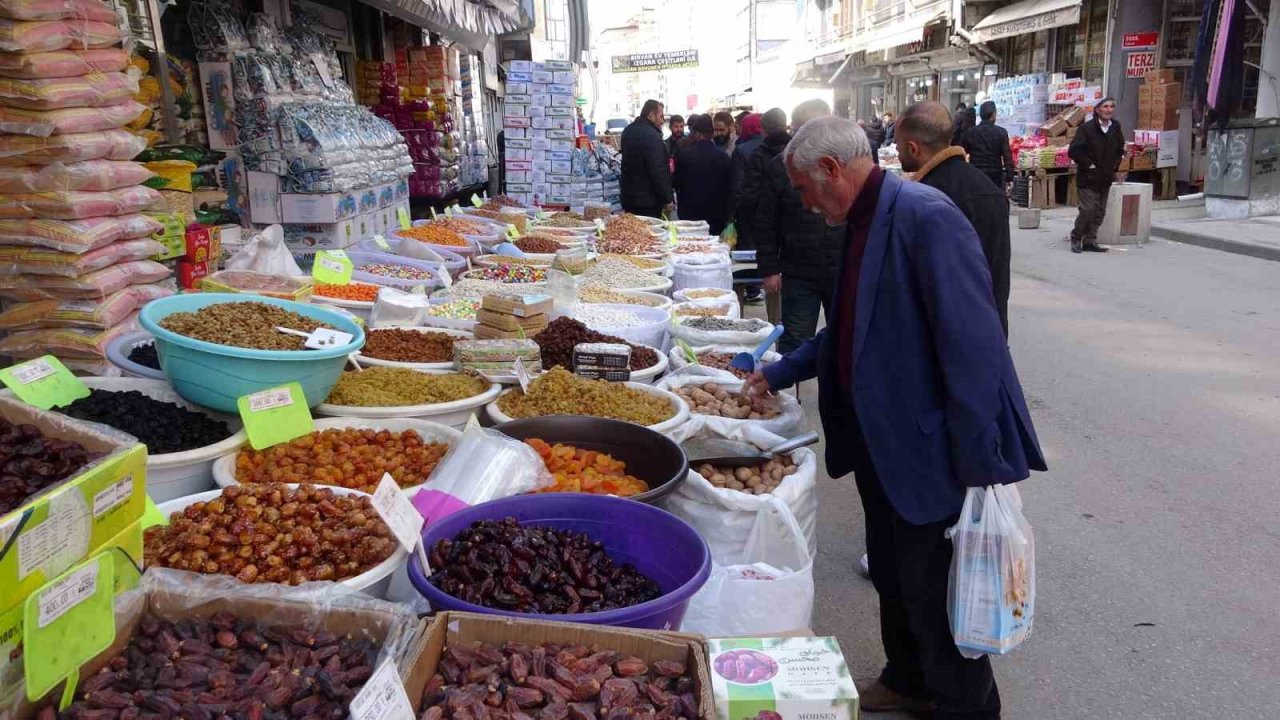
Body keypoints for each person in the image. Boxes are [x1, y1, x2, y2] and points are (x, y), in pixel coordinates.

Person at [745, 116, 1045, 719]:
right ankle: (907, 680)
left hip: (927, 449)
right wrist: (779, 371)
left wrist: (976, 465)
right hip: (880, 444)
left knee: (936, 595)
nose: (805, 205)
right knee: (890, 571)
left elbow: (974, 345)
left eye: (805, 190)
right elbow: (851, 330)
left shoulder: (924, 217)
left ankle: (967, 707)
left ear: (832, 170)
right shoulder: (858, 221)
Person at [898, 101, 1011, 335]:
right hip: (987, 329)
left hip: (943, 336)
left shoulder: (920, 199)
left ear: (913, 148)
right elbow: (997, 274)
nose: (896, 151)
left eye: (898, 145)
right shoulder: (988, 190)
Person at [751, 99, 845, 351]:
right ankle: (789, 391)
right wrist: (769, 268)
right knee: (794, 342)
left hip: (842, 268)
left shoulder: (848, 162)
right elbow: (766, 220)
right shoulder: (781, 165)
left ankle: (836, 391)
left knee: (844, 342)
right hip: (798, 270)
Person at [1067, 97, 1126, 253]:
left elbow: (1120, 148)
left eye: (1111, 106)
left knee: (1100, 211)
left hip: (1105, 176)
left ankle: (1090, 240)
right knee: (1088, 209)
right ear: (1097, 109)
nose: (1108, 110)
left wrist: (1116, 165)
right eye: (1105, 106)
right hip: (1088, 177)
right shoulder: (1086, 129)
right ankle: (1076, 236)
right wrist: (1089, 165)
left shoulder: (1115, 127)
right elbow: (1074, 151)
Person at [672, 114, 732, 234]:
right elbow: (729, 186)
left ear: (697, 134)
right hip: (717, 213)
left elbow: (676, 183)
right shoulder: (723, 157)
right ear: (712, 133)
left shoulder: (685, 156)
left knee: (692, 246)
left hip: (690, 213)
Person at [619, 99, 674, 219]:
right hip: (648, 201)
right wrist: (667, 199)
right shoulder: (652, 135)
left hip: (629, 198)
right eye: (660, 116)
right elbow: (658, 170)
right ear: (651, 115)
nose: (662, 120)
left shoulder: (628, 131)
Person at [964, 101, 1014, 193]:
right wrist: (1010, 177)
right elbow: (1007, 157)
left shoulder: (971, 132)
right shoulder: (1001, 132)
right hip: (995, 176)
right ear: (993, 114)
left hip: (976, 173)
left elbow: (964, 152)